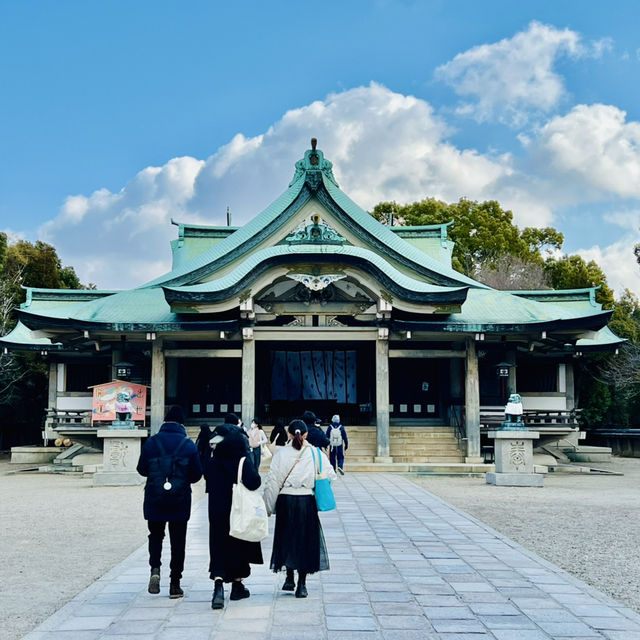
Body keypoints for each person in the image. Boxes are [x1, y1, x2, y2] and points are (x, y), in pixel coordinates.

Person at [263, 419, 335, 598]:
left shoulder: (281, 454)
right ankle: (302, 584)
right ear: (306, 434)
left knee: (287, 537)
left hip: (286, 500)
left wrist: (268, 507)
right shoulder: (316, 454)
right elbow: (331, 476)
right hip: (306, 500)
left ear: (289, 434)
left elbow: (273, 481)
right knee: (305, 541)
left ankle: (289, 577)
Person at [136, 406, 202, 599]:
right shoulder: (188, 445)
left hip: (155, 496)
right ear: (182, 424)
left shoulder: (151, 442)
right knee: (178, 540)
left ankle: (155, 569)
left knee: (155, 535)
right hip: (179, 498)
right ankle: (175, 583)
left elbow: (141, 469)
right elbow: (197, 474)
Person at [204, 413, 263, 609]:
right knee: (238, 543)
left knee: (218, 544)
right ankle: (237, 585)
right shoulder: (242, 461)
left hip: (217, 510)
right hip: (238, 509)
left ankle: (218, 586)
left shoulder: (212, 462)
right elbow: (254, 483)